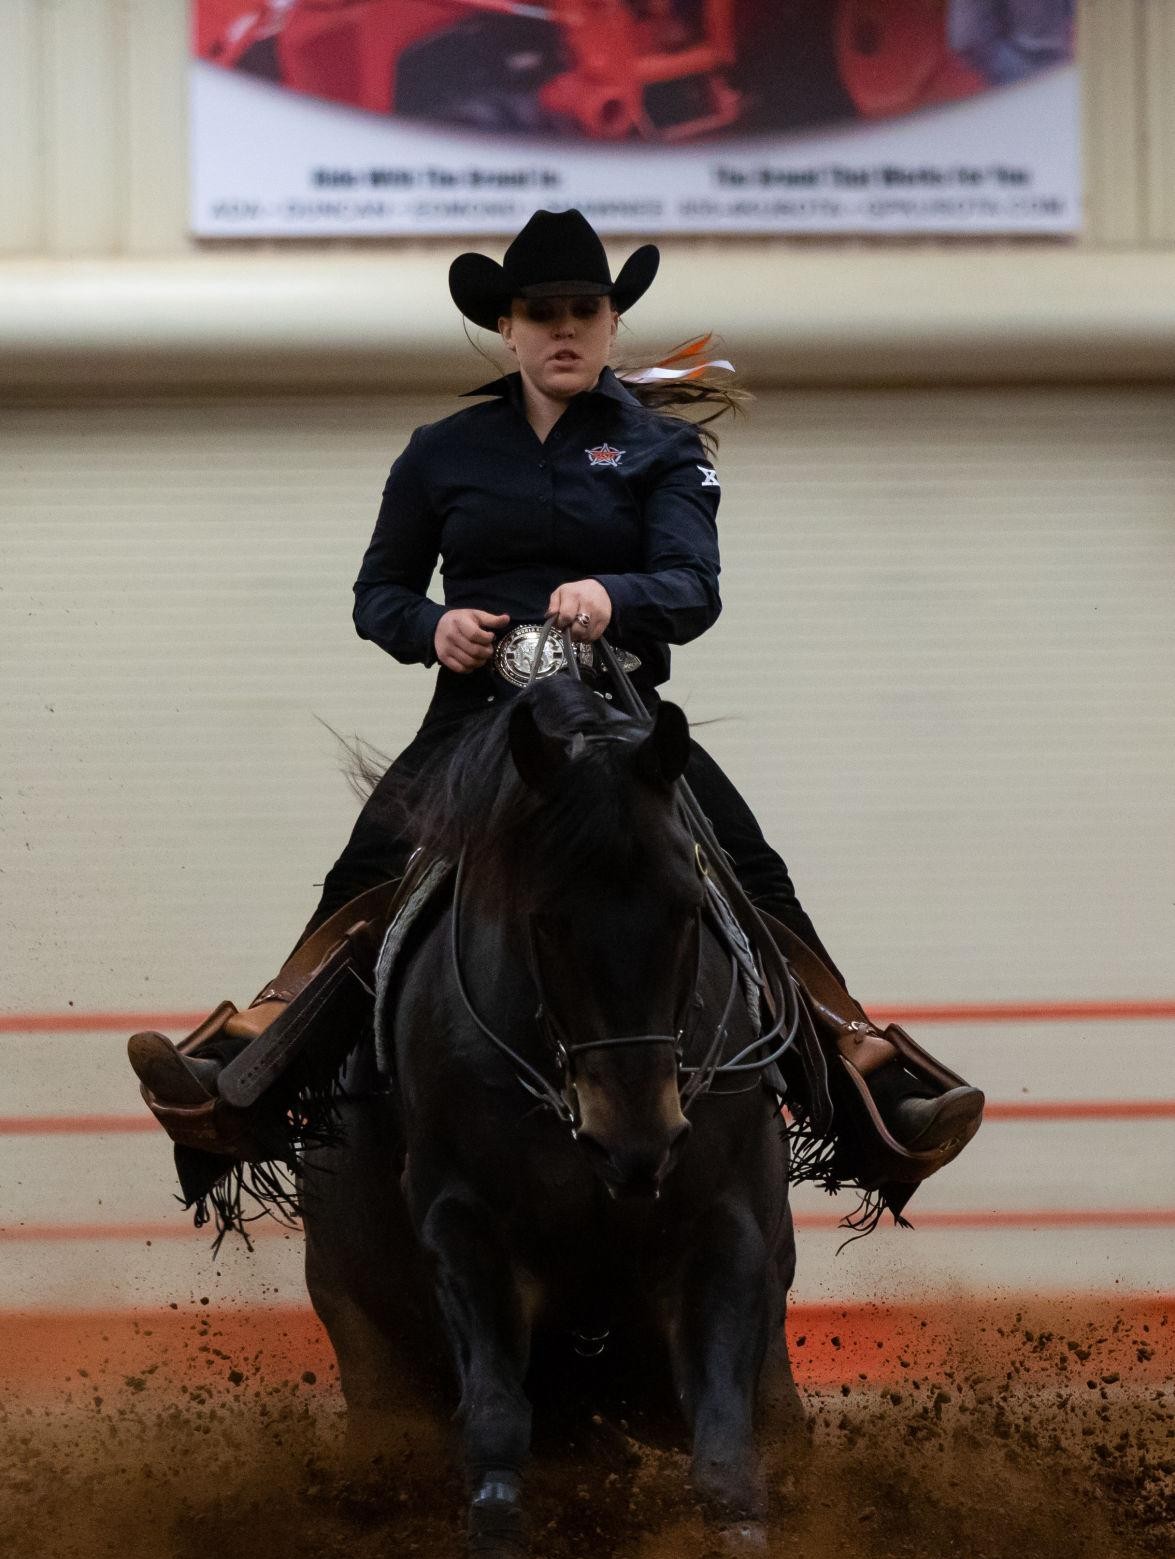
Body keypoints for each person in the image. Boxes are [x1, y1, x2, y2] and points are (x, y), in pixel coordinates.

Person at [127, 208, 983, 1215]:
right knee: (363, 874)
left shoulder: (664, 451)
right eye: (542, 314)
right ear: (509, 328)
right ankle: (248, 1072)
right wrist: (432, 628)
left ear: (612, 324)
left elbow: (692, 587)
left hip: (616, 715)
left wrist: (613, 598)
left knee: (749, 875)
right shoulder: (438, 452)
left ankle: (865, 1079)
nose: (563, 329)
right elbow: (379, 594)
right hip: (470, 720)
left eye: (584, 310)